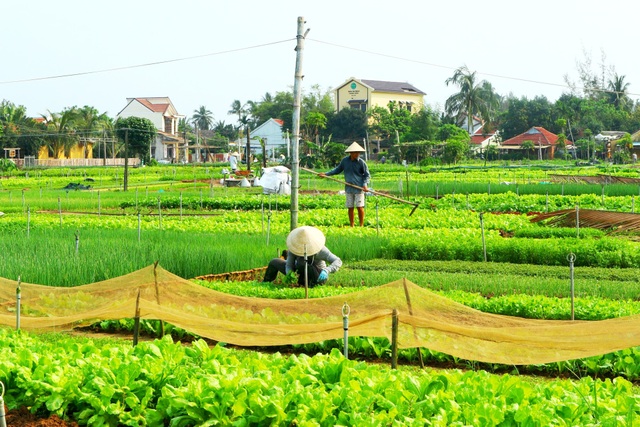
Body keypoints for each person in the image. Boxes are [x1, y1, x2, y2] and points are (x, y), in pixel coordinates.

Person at [262, 226, 342, 287]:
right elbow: (289, 265)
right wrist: (289, 274)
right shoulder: (294, 248)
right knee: (274, 262)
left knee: (302, 262)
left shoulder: (320, 250)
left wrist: (327, 270)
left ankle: (309, 285)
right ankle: (265, 284)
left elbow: (337, 261)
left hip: (316, 276)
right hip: (299, 270)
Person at [319, 142, 371, 227]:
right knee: (350, 207)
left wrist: (365, 185)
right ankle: (352, 225)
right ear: (351, 153)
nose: (357, 154)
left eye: (358, 152)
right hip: (349, 188)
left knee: (359, 207)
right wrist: (326, 174)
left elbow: (367, 175)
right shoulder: (345, 161)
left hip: (359, 188)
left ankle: (361, 225)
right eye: (355, 152)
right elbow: (337, 170)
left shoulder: (361, 162)